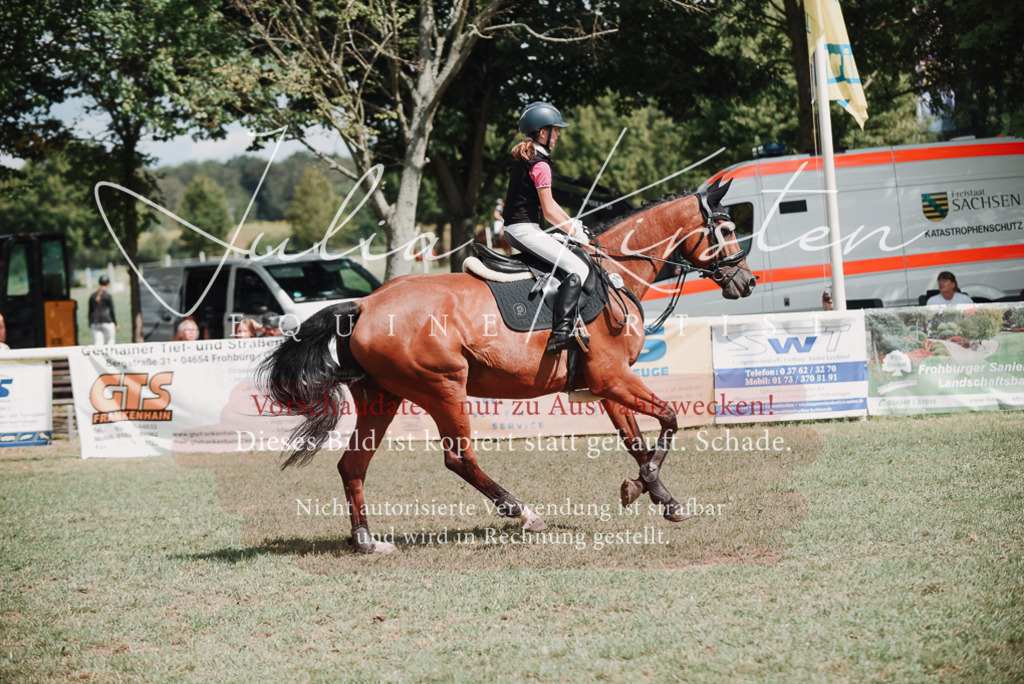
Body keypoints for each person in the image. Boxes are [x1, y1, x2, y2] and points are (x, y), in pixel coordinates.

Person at [501, 101, 591, 353]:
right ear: (543, 133)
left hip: (522, 228)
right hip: (523, 230)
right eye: (556, 129)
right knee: (577, 268)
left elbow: (551, 205)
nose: (559, 134)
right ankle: (561, 334)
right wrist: (575, 233)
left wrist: (573, 224)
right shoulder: (540, 164)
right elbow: (549, 211)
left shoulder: (530, 157)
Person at [88, 275, 118, 345]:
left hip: (94, 320)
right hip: (106, 320)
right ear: (107, 284)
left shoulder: (92, 296)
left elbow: (90, 310)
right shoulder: (107, 296)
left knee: (98, 342)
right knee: (111, 341)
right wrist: (115, 323)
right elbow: (111, 311)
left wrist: (90, 322)